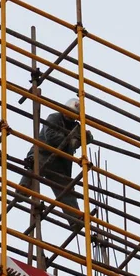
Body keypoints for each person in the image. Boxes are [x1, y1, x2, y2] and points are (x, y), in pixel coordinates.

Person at [18, 98, 93, 229]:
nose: (68, 115)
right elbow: (51, 136)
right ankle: (23, 189)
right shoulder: (54, 117)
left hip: (59, 163)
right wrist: (70, 141)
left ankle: (75, 218)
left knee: (65, 188)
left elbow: (89, 138)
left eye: (72, 114)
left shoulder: (76, 127)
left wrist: (85, 137)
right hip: (43, 152)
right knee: (34, 165)